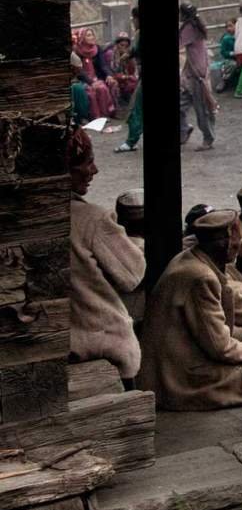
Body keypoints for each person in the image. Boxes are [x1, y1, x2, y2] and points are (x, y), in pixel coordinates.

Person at [138, 208, 242, 409]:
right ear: (225, 244)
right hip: (179, 378)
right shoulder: (201, 278)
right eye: (236, 239)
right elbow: (222, 348)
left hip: (168, 365)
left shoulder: (190, 258)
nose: (238, 246)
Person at [66, 130, 144, 383]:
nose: (94, 170)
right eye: (87, 162)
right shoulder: (90, 219)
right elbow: (132, 274)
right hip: (103, 352)